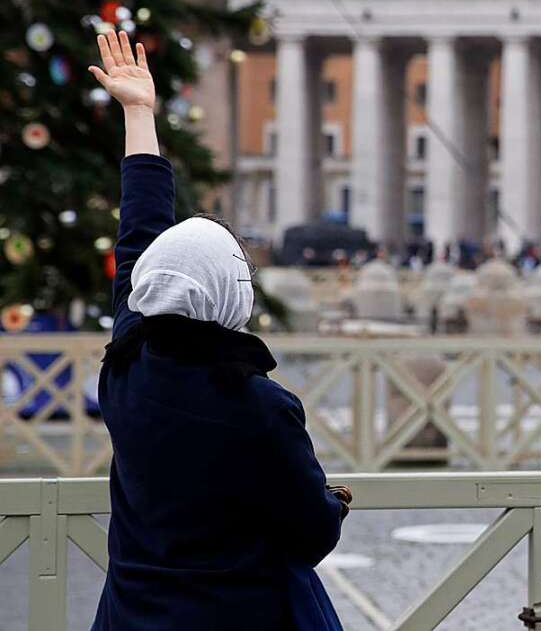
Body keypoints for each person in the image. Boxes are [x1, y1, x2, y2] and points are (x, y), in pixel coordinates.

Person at [88, 31, 349, 631]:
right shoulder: (259, 405)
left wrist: (138, 116)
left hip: (134, 615)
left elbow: (139, 238)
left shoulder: (126, 366)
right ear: (233, 296)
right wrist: (333, 504)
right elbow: (309, 534)